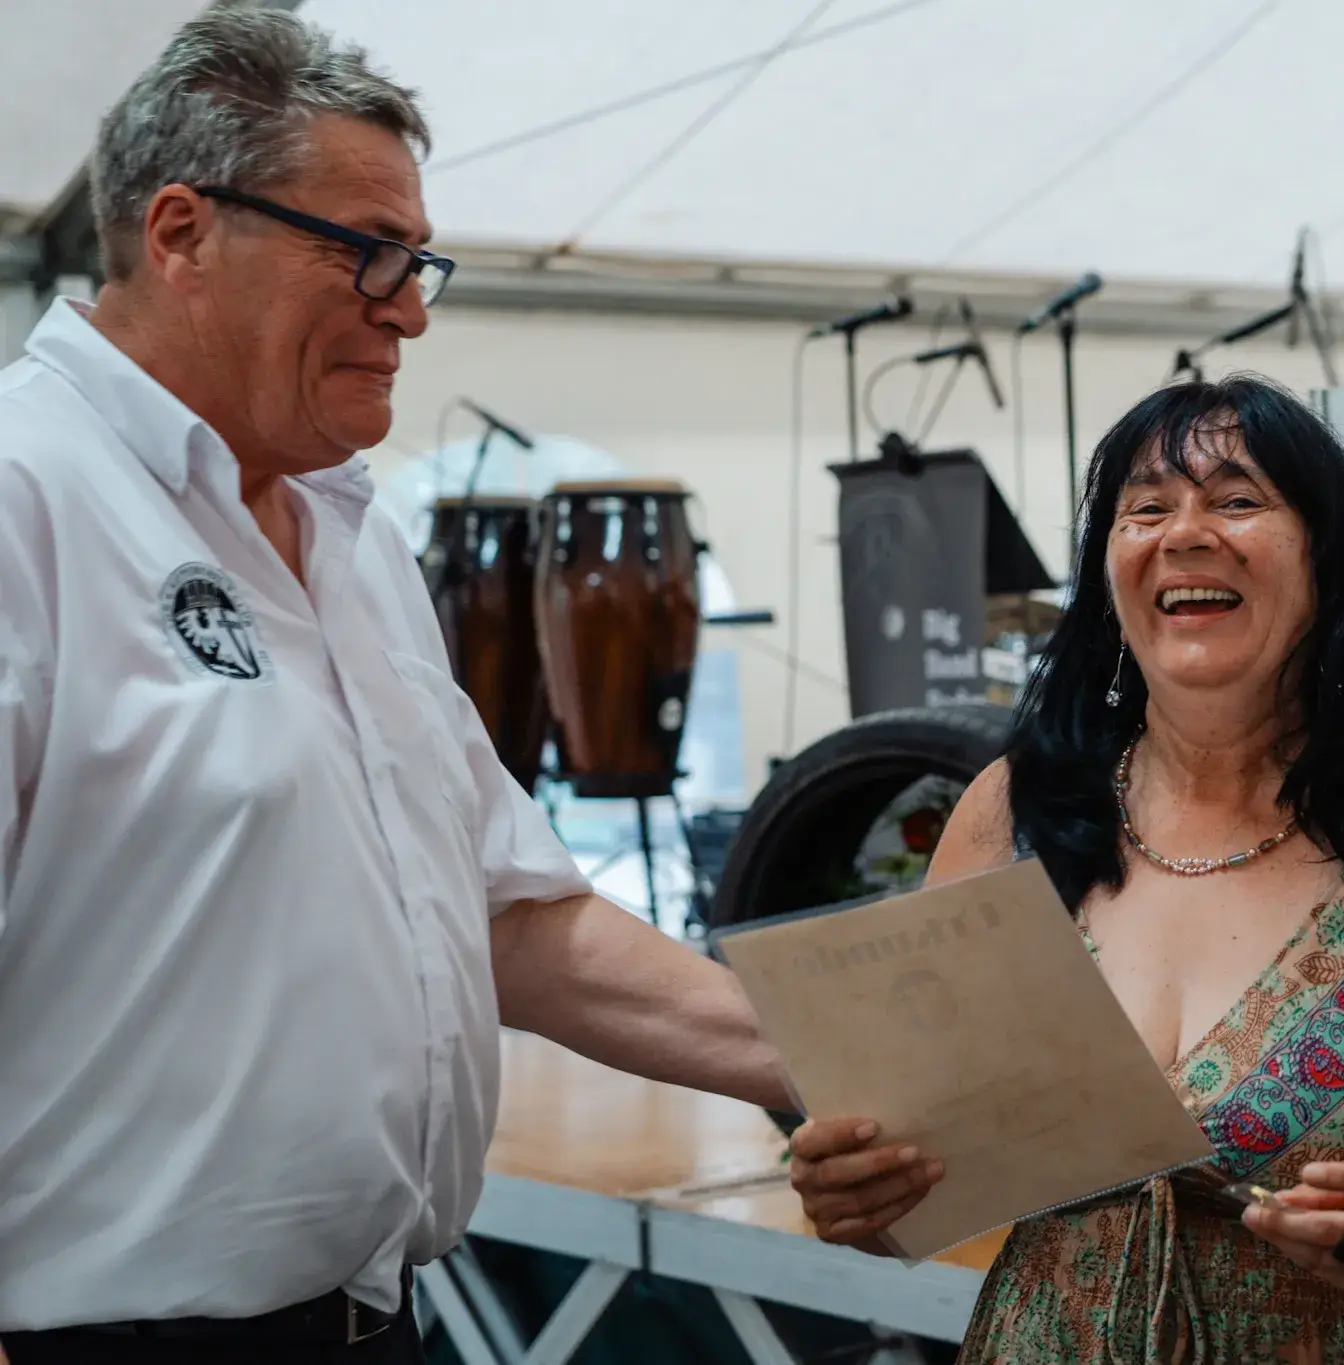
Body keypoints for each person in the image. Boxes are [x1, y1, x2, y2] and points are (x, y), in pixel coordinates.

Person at [0, 12, 784, 1362]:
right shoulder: (27, 494)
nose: (410, 308)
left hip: (373, 1320)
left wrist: (852, 1058)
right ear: (182, 233)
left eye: (418, 261)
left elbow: (505, 916)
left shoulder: (343, 532)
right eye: (366, 250)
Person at [790, 377, 1344, 1363]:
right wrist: (859, 1198)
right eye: (1145, 509)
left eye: (1237, 500)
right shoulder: (1013, 816)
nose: (1185, 534)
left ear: (1326, 559)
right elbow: (922, 1191)